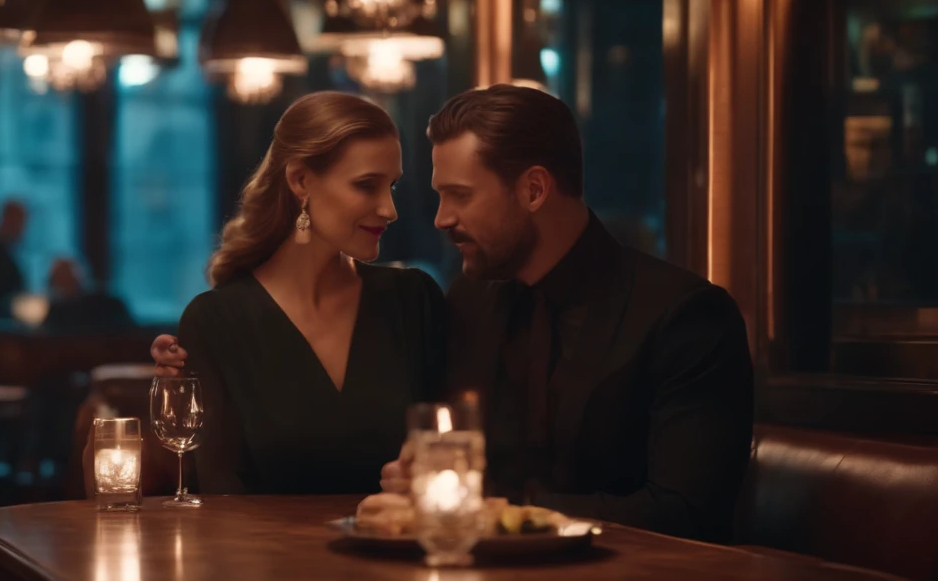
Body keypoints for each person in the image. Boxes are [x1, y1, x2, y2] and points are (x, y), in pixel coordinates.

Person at [157, 85, 753, 542]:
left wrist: (488, 506)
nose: (435, 219)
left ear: (534, 190)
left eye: (458, 196)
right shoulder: (469, 304)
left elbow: (688, 514)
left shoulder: (685, 317)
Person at [154, 91, 445, 495]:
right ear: (301, 181)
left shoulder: (413, 300)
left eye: (391, 186)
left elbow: (457, 453)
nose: (388, 209)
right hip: (266, 557)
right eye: (366, 186)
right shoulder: (216, 322)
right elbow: (220, 497)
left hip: (400, 551)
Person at [41, 258, 135, 335]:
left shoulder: (108, 305)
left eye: (67, 275)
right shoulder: (56, 312)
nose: (65, 281)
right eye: (60, 277)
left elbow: (129, 334)